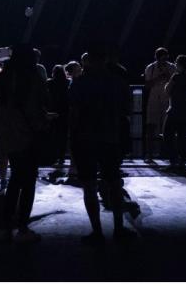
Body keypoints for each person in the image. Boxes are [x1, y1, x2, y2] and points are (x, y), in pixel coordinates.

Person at [68, 46, 131, 246]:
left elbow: (73, 113)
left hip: (84, 139)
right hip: (110, 138)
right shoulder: (117, 83)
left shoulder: (79, 84)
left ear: (88, 61)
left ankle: (97, 231)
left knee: (89, 186)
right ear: (105, 60)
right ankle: (119, 228)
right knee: (113, 184)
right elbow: (126, 110)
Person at [0, 44, 50, 243]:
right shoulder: (32, 77)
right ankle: (23, 226)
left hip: (9, 133)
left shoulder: (4, 76)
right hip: (29, 133)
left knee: (16, 179)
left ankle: (6, 224)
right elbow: (39, 102)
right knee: (28, 182)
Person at [163, 55, 186, 169]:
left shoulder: (176, 76)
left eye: (176, 63)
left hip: (175, 110)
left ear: (180, 65)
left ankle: (173, 160)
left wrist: (168, 82)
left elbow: (167, 90)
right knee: (183, 136)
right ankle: (182, 160)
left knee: (167, 134)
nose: (175, 65)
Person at [144, 47, 176, 160]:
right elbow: (147, 85)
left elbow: (175, 82)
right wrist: (158, 78)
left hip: (167, 98)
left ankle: (166, 153)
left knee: (168, 127)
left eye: (165, 59)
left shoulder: (172, 67)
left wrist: (168, 76)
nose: (164, 61)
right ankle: (150, 154)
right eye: (162, 59)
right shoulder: (150, 68)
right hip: (154, 98)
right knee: (151, 126)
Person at [46, 65, 70, 166]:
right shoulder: (67, 82)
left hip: (53, 110)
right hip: (65, 110)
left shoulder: (49, 83)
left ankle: (53, 155)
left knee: (53, 134)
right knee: (63, 135)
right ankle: (61, 156)